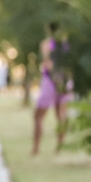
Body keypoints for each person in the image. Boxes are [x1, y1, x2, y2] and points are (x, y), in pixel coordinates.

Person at [33, 23, 70, 155]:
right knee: (61, 114)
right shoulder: (66, 45)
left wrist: (55, 77)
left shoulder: (47, 44)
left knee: (39, 116)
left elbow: (48, 63)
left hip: (51, 81)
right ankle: (60, 147)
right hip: (64, 81)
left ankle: (36, 148)